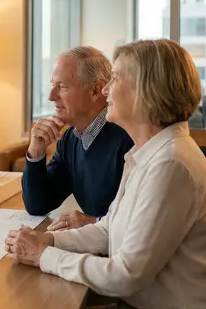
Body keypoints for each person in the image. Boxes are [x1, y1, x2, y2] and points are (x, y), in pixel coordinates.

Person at [5, 39, 206, 309]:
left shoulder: (171, 164)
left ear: (146, 90)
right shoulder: (148, 154)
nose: (105, 91)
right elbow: (107, 229)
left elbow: (125, 275)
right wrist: (48, 239)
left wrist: (44, 255)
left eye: (115, 79)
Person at [22, 46, 133, 231]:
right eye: (52, 85)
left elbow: (137, 223)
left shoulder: (129, 138)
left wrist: (93, 223)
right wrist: (36, 152)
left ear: (96, 90)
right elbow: (38, 205)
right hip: (95, 247)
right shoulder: (71, 138)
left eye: (62, 86)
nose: (51, 96)